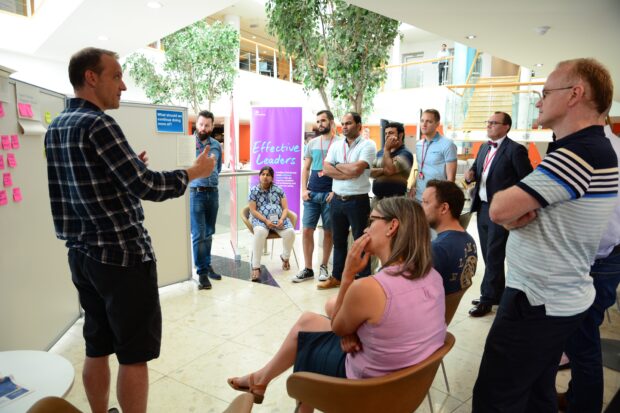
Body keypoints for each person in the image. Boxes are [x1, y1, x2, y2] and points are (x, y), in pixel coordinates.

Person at [44, 47, 216, 413]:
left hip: (81, 255)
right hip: (122, 255)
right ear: (91, 78)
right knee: (134, 355)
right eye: (116, 76)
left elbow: (82, 185)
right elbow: (148, 186)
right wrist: (193, 173)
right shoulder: (99, 124)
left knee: (97, 345)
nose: (123, 85)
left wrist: (126, 172)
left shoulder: (56, 126)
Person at [472, 58, 618, 412]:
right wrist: (515, 209)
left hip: (537, 301)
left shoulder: (579, 152)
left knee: (496, 397)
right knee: (537, 394)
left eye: (545, 92)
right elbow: (514, 209)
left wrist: (511, 210)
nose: (538, 101)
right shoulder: (587, 148)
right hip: (552, 297)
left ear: (574, 95)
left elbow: (499, 208)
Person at [227, 197, 446, 412]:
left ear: (392, 226)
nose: (365, 230)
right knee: (307, 320)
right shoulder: (433, 277)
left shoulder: (373, 288)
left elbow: (338, 327)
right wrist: (351, 330)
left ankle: (299, 402)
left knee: (307, 343)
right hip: (405, 387)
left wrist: (348, 274)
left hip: (367, 388)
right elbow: (347, 316)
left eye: (372, 221)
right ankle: (260, 379)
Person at [558, 120, 620, 413]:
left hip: (595, 259)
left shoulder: (597, 153)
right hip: (603, 257)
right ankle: (576, 397)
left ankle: (582, 405)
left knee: (582, 342)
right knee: (583, 336)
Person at [464, 112, 532, 317]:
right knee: (487, 253)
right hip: (483, 208)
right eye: (488, 122)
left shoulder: (515, 150)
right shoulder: (484, 147)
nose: (489, 125)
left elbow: (527, 179)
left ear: (506, 127)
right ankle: (496, 294)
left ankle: (487, 299)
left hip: (502, 211)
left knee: (494, 254)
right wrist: (470, 175)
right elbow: (477, 170)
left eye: (494, 123)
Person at [319, 112, 376, 289]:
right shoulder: (336, 145)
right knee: (339, 241)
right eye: (343, 123)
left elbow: (357, 170)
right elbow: (326, 169)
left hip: (357, 201)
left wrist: (338, 167)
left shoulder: (368, 145)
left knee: (361, 242)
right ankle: (337, 277)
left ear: (359, 126)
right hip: (336, 200)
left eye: (349, 123)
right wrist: (345, 170)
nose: (344, 126)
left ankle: (364, 279)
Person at [292, 110, 341, 283]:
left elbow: (342, 169)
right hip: (312, 194)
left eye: (323, 120)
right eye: (318, 121)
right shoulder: (312, 143)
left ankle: (324, 267)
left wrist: (335, 191)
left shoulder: (340, 143)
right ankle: (307, 268)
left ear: (331, 122)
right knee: (306, 230)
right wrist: (303, 190)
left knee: (328, 232)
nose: (320, 124)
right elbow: (305, 168)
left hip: (330, 194)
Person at [422, 180, 477, 294]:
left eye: (425, 202)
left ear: (444, 208)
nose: (421, 207)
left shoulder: (437, 248)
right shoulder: (470, 241)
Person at [190, 110, 223, 290]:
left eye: (207, 125)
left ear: (212, 126)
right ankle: (202, 273)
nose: (203, 128)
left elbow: (217, 168)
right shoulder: (188, 144)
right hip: (196, 193)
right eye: (201, 124)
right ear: (197, 124)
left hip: (213, 193)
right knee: (199, 234)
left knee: (209, 232)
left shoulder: (217, 145)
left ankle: (207, 265)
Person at [248, 166, 295, 281]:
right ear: (259, 176)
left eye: (268, 175)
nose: (265, 177)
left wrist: (282, 220)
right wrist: (265, 221)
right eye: (263, 174)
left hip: (278, 220)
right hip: (261, 220)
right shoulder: (254, 191)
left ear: (272, 177)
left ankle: (285, 258)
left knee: (290, 233)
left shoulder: (278, 189)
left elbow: (285, 208)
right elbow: (253, 210)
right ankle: (256, 267)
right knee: (259, 232)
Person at [411, 109, 457, 202]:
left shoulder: (447, 144)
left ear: (437, 124)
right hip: (419, 196)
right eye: (422, 121)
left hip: (437, 198)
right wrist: (413, 186)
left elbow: (451, 178)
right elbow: (421, 169)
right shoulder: (419, 145)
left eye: (429, 121)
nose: (424, 124)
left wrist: (444, 199)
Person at [370, 121, 413, 206]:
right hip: (377, 200)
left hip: (396, 202)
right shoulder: (380, 153)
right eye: (386, 133)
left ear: (400, 135)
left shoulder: (406, 154)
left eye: (391, 133)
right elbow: (369, 172)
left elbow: (389, 170)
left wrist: (386, 150)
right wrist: (384, 170)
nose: (387, 136)